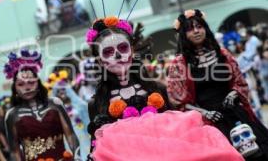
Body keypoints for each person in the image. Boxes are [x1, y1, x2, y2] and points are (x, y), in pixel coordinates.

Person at [86, 16, 243, 161]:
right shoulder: (97, 102)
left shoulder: (156, 89)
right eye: (108, 52)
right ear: (100, 61)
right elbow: (96, 145)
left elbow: (175, 127)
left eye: (123, 48)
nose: (118, 55)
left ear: (132, 52)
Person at [167, 9, 268, 160]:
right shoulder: (179, 64)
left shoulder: (222, 54)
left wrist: (234, 93)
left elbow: (240, 82)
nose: (196, 31)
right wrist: (205, 113)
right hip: (209, 121)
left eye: (199, 27)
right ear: (183, 34)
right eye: (190, 29)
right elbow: (179, 102)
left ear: (205, 29)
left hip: (234, 113)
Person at [4, 49, 80, 161]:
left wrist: (77, 157)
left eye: (31, 82)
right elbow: (14, 151)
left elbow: (70, 135)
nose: (27, 87)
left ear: (38, 83)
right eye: (21, 84)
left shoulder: (55, 103)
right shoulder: (11, 115)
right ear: (14, 88)